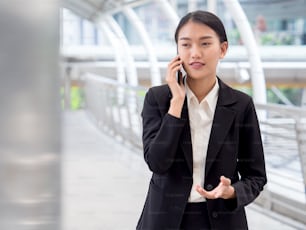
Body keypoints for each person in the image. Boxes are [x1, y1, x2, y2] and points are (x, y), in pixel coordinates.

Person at [136, 10, 267, 230]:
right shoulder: (158, 99)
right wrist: (176, 103)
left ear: (222, 49)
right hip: (165, 220)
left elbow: (256, 176)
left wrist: (232, 191)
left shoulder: (240, 105)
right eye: (186, 45)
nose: (195, 53)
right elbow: (157, 163)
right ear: (177, 51)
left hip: (221, 221)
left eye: (205, 44)